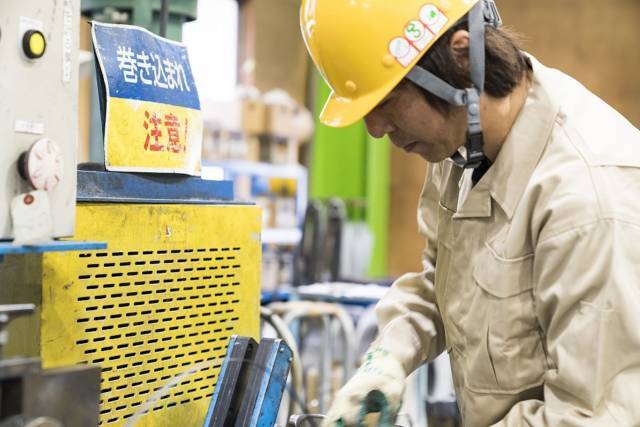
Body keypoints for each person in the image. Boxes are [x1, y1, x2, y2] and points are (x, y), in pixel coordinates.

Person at [300, 0, 640, 425]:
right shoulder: (460, 145)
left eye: (387, 100)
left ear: (461, 58)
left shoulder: (588, 200)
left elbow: (586, 416)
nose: (375, 129)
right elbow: (444, 278)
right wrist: (388, 356)